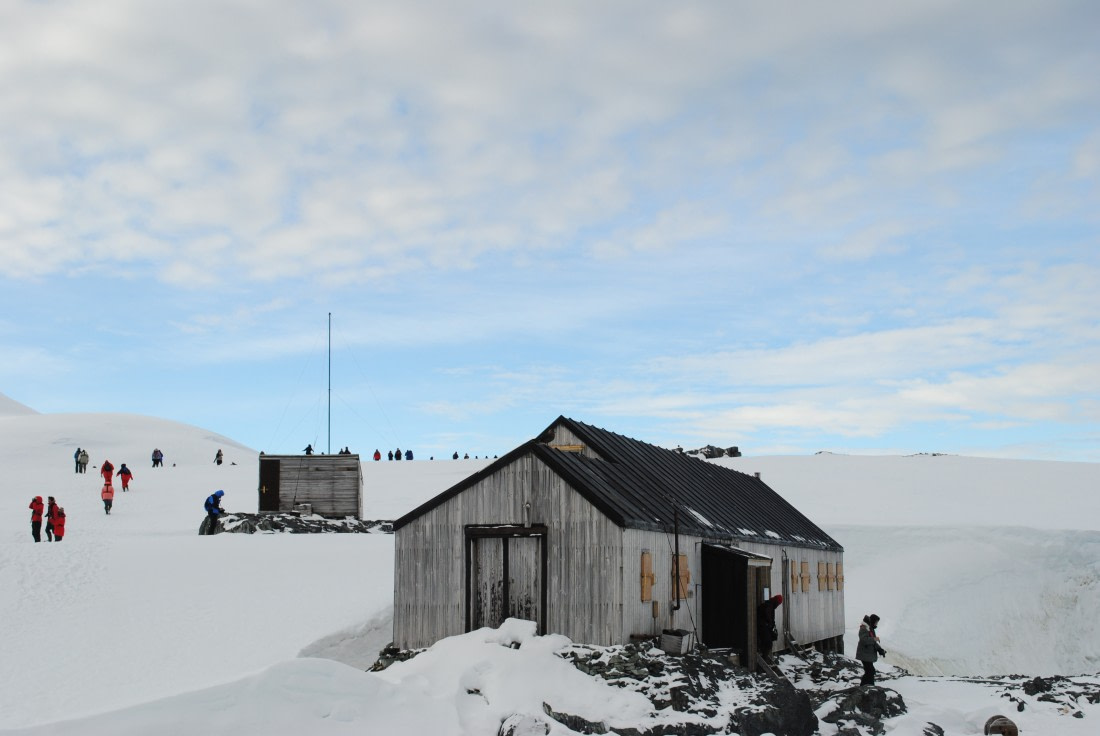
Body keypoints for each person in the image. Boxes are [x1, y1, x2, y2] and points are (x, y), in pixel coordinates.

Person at [857, 614, 887, 686]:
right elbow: (863, 640)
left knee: (870, 671)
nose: (877, 624)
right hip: (864, 654)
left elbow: (873, 642)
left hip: (867, 654)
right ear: (873, 621)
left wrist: (880, 649)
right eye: (876, 622)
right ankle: (868, 686)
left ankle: (865, 686)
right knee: (870, 671)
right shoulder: (864, 628)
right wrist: (874, 639)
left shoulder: (870, 629)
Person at [757, 594, 783, 662]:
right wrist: (770, 623)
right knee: (768, 643)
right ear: (777, 602)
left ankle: (764, 656)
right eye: (778, 603)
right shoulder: (770, 606)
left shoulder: (770, 605)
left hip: (764, 626)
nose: (778, 605)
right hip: (762, 626)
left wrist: (772, 624)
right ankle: (764, 659)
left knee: (768, 641)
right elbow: (767, 616)